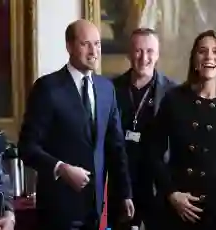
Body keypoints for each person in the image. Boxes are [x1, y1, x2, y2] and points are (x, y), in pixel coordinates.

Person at [18, 19, 134, 230]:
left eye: (97, 44)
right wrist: (60, 168)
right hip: (58, 210)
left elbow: (116, 147)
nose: (94, 51)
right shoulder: (47, 88)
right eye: (85, 44)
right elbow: (27, 148)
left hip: (95, 210)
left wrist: (126, 193)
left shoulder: (107, 88)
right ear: (69, 46)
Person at [144, 30, 216, 230]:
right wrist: (171, 193)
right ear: (194, 60)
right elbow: (152, 153)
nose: (209, 57)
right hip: (173, 208)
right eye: (203, 51)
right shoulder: (174, 99)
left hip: (215, 210)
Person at [109, 28, 176, 230]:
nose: (143, 57)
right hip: (121, 185)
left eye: (149, 51)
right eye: (138, 51)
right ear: (129, 54)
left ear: (157, 55)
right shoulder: (110, 89)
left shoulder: (174, 93)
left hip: (158, 187)